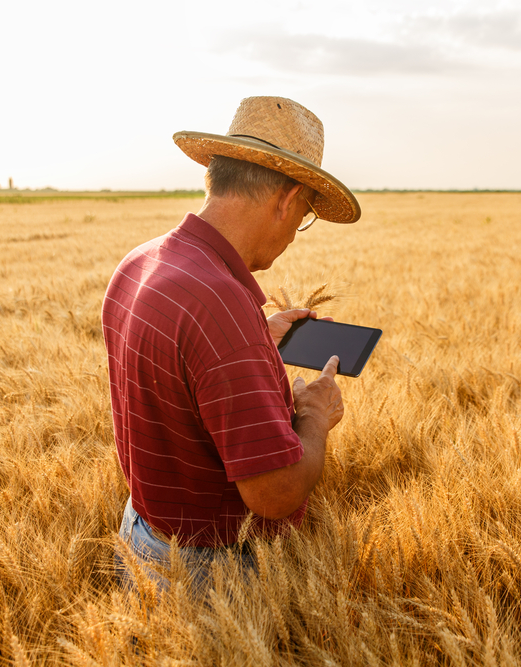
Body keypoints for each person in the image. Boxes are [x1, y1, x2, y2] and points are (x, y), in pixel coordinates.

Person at [102, 96, 361, 594]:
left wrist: (255, 341)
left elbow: (177, 380)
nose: (294, 234)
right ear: (286, 200)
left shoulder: (139, 263)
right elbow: (274, 492)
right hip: (208, 573)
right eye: (305, 215)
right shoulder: (220, 303)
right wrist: (314, 416)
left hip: (141, 533)